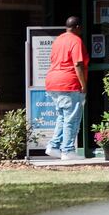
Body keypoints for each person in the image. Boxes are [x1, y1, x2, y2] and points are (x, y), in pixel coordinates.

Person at [46, 15, 89, 160]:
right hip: (69, 83)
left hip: (53, 82)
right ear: (77, 27)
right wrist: (83, 84)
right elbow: (78, 64)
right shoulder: (76, 41)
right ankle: (68, 150)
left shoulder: (58, 40)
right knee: (71, 117)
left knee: (62, 117)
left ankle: (54, 146)